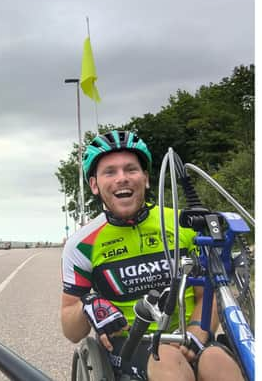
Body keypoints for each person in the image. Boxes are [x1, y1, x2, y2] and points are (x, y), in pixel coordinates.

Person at [61, 130, 243, 381]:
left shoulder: (184, 224)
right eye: (110, 172)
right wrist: (88, 305)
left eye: (130, 169)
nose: (122, 178)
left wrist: (195, 335)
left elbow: (208, 295)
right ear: (94, 184)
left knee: (217, 362)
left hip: (188, 336)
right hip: (131, 343)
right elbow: (70, 330)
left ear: (145, 178)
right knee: (166, 359)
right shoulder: (81, 244)